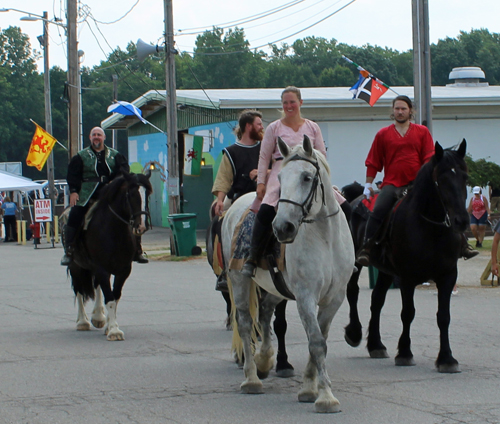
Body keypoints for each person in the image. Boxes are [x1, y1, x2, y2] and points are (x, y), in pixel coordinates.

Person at [356, 95, 478, 266]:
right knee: (379, 209)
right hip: (392, 184)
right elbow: (373, 161)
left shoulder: (422, 132)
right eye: (397, 108)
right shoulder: (382, 134)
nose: (400, 112)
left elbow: (429, 159)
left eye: (403, 108)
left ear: (410, 111)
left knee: (443, 206)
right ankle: (367, 248)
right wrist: (368, 184)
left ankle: (463, 243)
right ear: (393, 111)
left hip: (417, 185)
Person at [241, 86, 328, 278]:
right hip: (282, 171)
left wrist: (325, 180)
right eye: (285, 103)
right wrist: (261, 183)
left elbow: (321, 154)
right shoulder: (274, 128)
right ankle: (253, 257)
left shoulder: (313, 127)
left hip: (308, 173)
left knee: (343, 207)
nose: (289, 106)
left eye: (292, 102)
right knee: (265, 211)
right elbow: (264, 158)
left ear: (300, 103)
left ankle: (346, 255)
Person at [60, 127, 148, 265]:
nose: (96, 137)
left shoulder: (115, 155)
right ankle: (70, 250)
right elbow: (73, 175)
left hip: (110, 191)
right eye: (94, 135)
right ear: (90, 137)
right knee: (75, 214)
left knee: (129, 212)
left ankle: (137, 250)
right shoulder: (81, 156)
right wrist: (74, 191)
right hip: (87, 192)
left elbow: (124, 171)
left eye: (99, 135)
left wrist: (117, 181)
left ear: (104, 137)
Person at [212, 109, 264, 217]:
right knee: (216, 216)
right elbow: (223, 178)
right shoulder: (231, 152)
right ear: (248, 126)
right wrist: (220, 200)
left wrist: (264, 172)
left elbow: (278, 169)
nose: (262, 127)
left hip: (264, 195)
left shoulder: (266, 148)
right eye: (259, 124)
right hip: (238, 196)